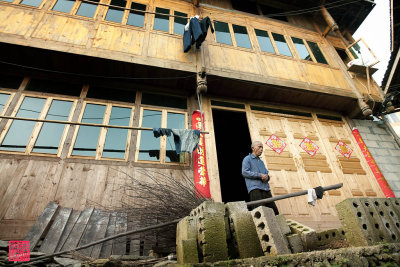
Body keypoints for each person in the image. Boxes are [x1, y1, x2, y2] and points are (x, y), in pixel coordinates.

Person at [242, 141, 279, 215]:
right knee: (259, 213)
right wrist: (259, 175)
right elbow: (244, 172)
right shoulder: (247, 159)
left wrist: (267, 177)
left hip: (266, 189)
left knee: (274, 212)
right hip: (255, 189)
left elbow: (266, 174)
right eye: (259, 147)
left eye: (262, 147)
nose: (261, 149)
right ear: (253, 148)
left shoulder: (261, 162)